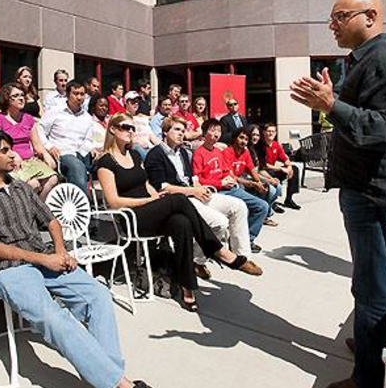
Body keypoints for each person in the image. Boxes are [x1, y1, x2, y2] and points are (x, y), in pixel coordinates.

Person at [290, 0, 386, 388]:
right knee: (368, 282)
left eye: (339, 16)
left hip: (375, 196)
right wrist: (335, 100)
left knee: (374, 290)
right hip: (365, 192)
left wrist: (332, 106)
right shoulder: (366, 62)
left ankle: (368, 378)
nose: (331, 25)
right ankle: (369, 343)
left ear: (369, 16)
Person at [0, 130, 154, 388]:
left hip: (45, 258)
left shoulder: (21, 188)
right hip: (8, 270)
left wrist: (60, 252)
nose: (13, 154)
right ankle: (120, 385)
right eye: (5, 150)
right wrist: (44, 258)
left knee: (97, 295)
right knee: (54, 317)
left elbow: (51, 220)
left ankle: (108, 377)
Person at [97, 113, 261, 312]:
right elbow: (113, 202)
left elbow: (147, 184)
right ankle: (219, 251)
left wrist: (156, 196)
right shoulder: (106, 162)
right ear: (112, 129)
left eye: (132, 127)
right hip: (131, 218)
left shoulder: (134, 155)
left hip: (150, 209)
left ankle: (188, 287)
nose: (130, 131)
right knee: (179, 198)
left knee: (181, 222)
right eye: (125, 127)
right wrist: (151, 200)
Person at [144, 116, 257, 277]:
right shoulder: (155, 154)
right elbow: (163, 188)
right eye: (176, 129)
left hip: (192, 194)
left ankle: (243, 257)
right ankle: (198, 261)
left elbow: (193, 179)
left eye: (183, 131)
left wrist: (202, 188)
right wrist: (194, 191)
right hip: (176, 200)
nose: (181, 134)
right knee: (220, 222)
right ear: (164, 131)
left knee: (239, 206)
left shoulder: (183, 152)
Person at [193, 119, 270, 254]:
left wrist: (229, 177)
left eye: (219, 131)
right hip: (216, 192)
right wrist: (220, 183)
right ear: (204, 133)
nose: (216, 133)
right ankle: (234, 249)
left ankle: (249, 239)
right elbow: (198, 179)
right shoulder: (199, 153)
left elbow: (225, 170)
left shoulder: (217, 151)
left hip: (230, 188)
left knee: (262, 207)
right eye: (212, 130)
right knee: (240, 207)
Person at [0, 83, 58, 200]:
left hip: (30, 162)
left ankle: (39, 208)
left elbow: (37, 145)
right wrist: (13, 154)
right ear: (6, 99)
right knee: (33, 184)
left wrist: (46, 154)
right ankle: (25, 212)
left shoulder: (28, 119)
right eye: (15, 95)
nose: (21, 98)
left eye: (22, 95)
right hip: (10, 163)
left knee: (53, 179)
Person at [38, 81, 96, 194]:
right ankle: (83, 207)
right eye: (76, 93)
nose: (79, 97)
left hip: (82, 154)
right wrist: (49, 147)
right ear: (68, 94)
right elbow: (39, 129)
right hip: (63, 155)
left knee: (109, 161)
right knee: (77, 166)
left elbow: (88, 140)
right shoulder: (55, 112)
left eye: (82, 94)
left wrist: (92, 149)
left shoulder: (87, 117)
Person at [258, 123, 301, 210]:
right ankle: (272, 202)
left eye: (273, 131)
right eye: (268, 131)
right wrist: (281, 169)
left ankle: (289, 199)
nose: (270, 133)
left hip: (272, 170)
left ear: (276, 133)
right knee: (272, 174)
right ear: (264, 133)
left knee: (294, 169)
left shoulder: (275, 145)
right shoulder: (259, 146)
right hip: (263, 172)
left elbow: (285, 159)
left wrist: (289, 167)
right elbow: (263, 165)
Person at [247, 124, 283, 222]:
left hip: (257, 175)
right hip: (249, 178)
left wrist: (271, 179)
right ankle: (264, 213)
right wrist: (268, 181)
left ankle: (267, 209)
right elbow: (252, 172)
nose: (255, 137)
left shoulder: (259, 148)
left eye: (257, 135)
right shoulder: (246, 150)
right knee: (271, 190)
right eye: (253, 135)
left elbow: (261, 168)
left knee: (278, 185)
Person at [124, 90, 159, 160]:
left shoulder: (142, 119)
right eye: (133, 102)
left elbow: (152, 136)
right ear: (126, 103)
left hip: (149, 148)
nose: (136, 104)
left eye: (137, 102)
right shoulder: (123, 119)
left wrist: (164, 147)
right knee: (137, 146)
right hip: (136, 148)